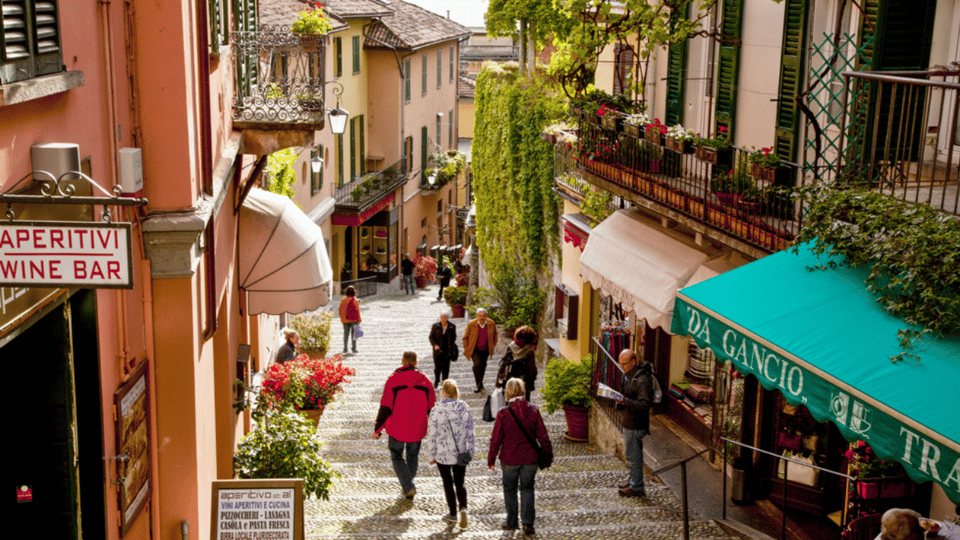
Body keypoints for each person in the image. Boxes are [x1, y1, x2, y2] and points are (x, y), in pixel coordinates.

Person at [488, 378, 552, 537]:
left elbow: (496, 439)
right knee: (527, 488)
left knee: (509, 489)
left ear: (508, 393)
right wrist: (548, 454)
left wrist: (491, 459)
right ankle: (528, 523)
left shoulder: (503, 413)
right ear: (522, 391)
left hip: (509, 459)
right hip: (530, 459)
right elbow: (543, 436)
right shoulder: (533, 410)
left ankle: (511, 521)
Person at [373, 351, 436, 499]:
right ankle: (409, 486)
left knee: (396, 455)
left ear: (402, 362)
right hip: (418, 427)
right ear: (416, 362)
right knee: (413, 457)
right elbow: (431, 407)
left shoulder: (393, 380)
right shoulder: (425, 381)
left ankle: (408, 486)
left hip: (397, 427)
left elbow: (386, 406)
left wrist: (378, 428)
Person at [424, 379, 474, 528]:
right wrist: (470, 451)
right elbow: (470, 432)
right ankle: (463, 508)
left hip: (442, 454)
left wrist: (431, 456)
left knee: (447, 483)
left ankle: (453, 514)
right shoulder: (464, 407)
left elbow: (432, 435)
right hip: (461, 452)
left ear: (444, 392)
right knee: (460, 482)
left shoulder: (436, 410)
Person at [616, 348, 652, 498]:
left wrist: (625, 401)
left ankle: (637, 486)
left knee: (634, 456)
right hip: (629, 422)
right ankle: (633, 481)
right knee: (631, 455)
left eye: (624, 364)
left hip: (636, 424)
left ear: (633, 362)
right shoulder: (630, 376)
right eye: (620, 364)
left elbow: (645, 404)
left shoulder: (642, 379)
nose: (622, 367)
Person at [495, 325, 538, 401]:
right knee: (524, 401)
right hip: (523, 381)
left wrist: (498, 382)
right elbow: (532, 370)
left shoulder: (511, 347)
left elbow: (503, 364)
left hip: (510, 379)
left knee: (509, 400)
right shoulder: (529, 351)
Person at [463, 307, 497, 394]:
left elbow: (495, 336)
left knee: (483, 366)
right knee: (477, 365)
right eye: (479, 316)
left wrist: (492, 345)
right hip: (475, 349)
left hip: (486, 349)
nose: (481, 317)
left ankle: (480, 382)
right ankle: (478, 385)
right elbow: (465, 337)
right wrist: (467, 347)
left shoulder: (491, 323)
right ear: (477, 316)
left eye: (483, 316)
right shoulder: (472, 324)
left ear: (486, 316)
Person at [429, 312, 458, 388]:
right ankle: (436, 380)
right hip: (437, 350)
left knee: (446, 367)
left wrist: (451, 345)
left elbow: (454, 337)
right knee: (437, 367)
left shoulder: (452, 326)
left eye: (445, 317)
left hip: (447, 350)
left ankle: (445, 382)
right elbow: (431, 337)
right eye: (442, 317)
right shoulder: (435, 326)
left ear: (447, 318)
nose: (443, 319)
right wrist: (435, 345)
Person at [338, 286, 361, 354]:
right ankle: (354, 349)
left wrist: (342, 318)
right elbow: (358, 311)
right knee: (354, 335)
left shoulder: (343, 300)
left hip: (345, 320)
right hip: (354, 320)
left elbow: (340, 310)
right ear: (354, 292)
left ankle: (345, 348)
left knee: (346, 334)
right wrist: (359, 320)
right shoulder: (355, 301)